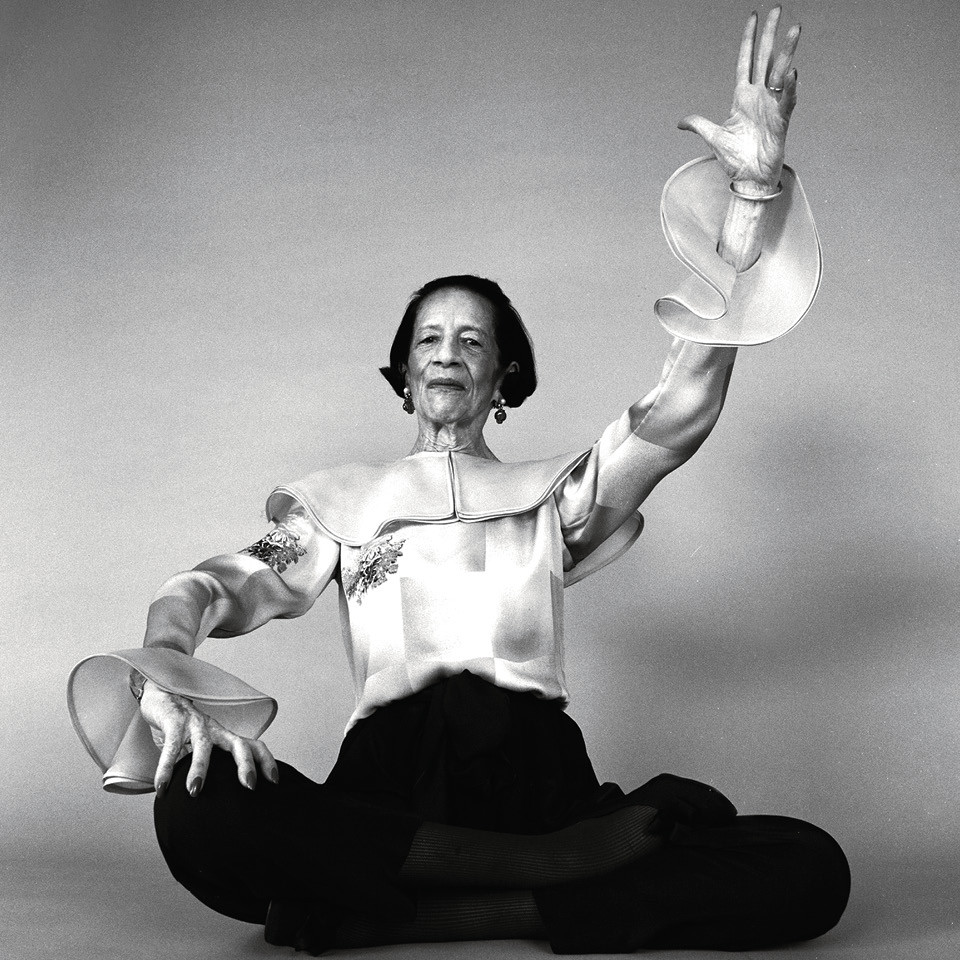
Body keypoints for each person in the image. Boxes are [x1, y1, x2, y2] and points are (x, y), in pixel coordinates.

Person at [68, 7, 849, 955]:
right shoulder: (332, 512)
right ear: (404, 374)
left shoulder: (558, 497)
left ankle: (426, 901)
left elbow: (676, 411)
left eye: (473, 340)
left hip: (541, 782)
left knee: (811, 866)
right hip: (386, 786)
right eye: (429, 338)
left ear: (502, 379)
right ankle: (553, 879)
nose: (449, 352)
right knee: (196, 810)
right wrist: (166, 678)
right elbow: (212, 584)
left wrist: (749, 204)